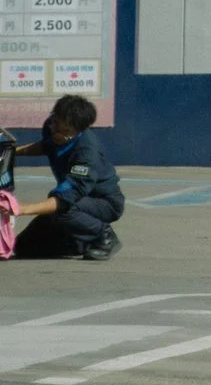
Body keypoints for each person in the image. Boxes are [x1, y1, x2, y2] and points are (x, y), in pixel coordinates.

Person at [8, 94, 124, 260]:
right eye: (56, 126)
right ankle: (77, 242)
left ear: (79, 131)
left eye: (66, 132)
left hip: (104, 202)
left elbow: (66, 197)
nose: (57, 134)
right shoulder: (52, 125)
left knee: (61, 211)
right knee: (23, 247)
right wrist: (12, 152)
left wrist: (22, 209)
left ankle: (104, 236)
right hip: (76, 202)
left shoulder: (86, 153)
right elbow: (47, 145)